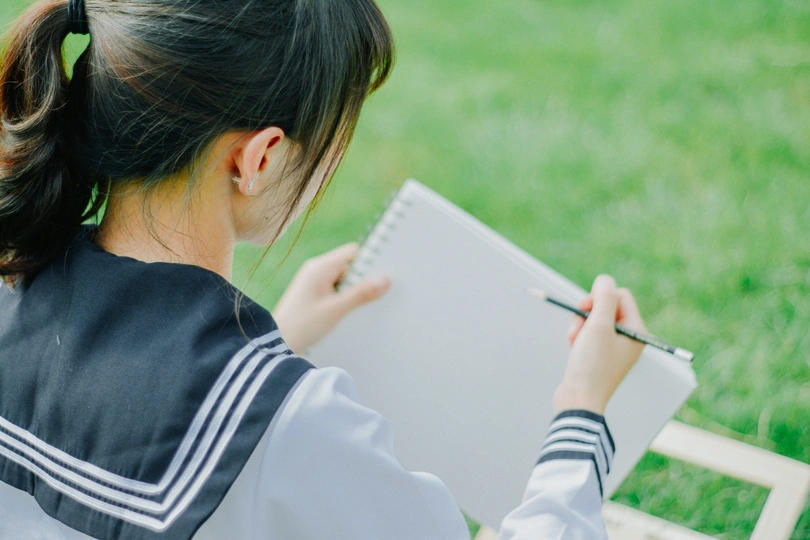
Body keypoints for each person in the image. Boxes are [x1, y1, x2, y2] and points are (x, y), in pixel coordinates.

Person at [0, 0, 648, 538]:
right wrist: (582, 412)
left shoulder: (11, 283)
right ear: (259, 160)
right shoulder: (299, 428)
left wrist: (278, 338)